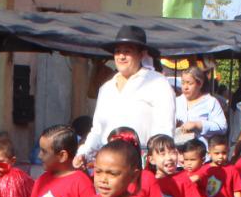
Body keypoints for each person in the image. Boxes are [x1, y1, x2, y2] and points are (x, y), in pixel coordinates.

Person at [74, 26, 176, 165]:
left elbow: (165, 128)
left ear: (141, 54)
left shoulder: (158, 83)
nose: (121, 56)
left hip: (141, 164)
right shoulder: (107, 88)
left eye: (127, 51)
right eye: (118, 52)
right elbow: (98, 129)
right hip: (108, 163)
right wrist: (84, 153)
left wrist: (158, 162)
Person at [174, 67, 227, 145]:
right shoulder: (176, 101)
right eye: (183, 83)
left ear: (200, 84)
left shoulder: (210, 102)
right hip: (178, 152)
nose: (185, 87)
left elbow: (222, 127)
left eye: (189, 83)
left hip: (200, 152)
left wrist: (198, 125)